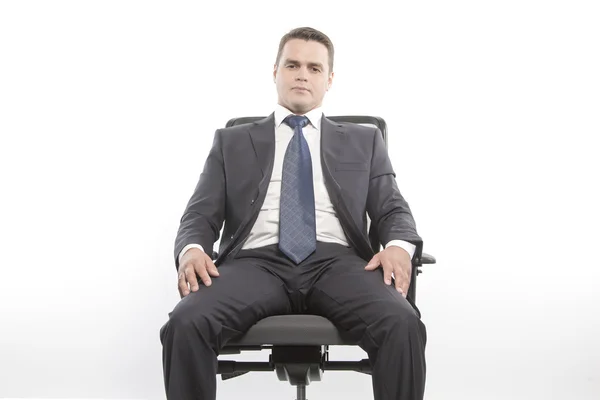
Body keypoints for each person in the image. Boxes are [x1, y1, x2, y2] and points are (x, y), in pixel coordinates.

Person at [160, 26, 427, 400]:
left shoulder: (365, 141)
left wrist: (398, 246)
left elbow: (392, 208)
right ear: (275, 71)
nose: (303, 74)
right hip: (255, 264)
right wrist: (193, 250)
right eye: (293, 65)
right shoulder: (232, 141)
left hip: (339, 263)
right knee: (185, 323)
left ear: (329, 79)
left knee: (402, 322)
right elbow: (199, 215)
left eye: (315, 68)